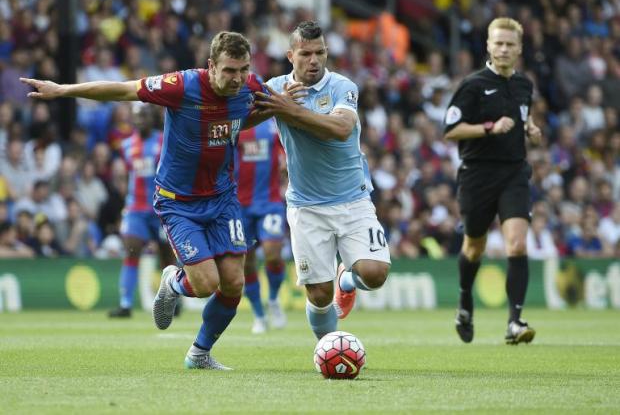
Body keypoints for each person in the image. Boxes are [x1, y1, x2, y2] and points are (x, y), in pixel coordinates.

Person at [21, 31, 279, 370]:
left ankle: (199, 353)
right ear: (211, 65)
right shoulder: (181, 85)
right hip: (179, 201)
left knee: (233, 282)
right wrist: (65, 90)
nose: (237, 78)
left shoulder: (251, 86)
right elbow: (124, 89)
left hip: (223, 198)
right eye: (229, 70)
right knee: (205, 285)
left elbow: (259, 111)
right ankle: (172, 282)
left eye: (243, 69)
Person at [254, 21, 391, 340]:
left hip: (353, 200)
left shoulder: (343, 87)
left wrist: (289, 110)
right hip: (307, 206)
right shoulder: (275, 87)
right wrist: (272, 104)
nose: (314, 60)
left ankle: (347, 279)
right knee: (317, 295)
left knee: (374, 274)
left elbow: (340, 129)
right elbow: (242, 120)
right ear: (291, 55)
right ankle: (328, 349)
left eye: (320, 52)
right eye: (305, 53)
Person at [442, 17, 542, 345]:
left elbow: (522, 118)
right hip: (477, 174)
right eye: (498, 43)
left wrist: (531, 130)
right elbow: (451, 129)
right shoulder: (473, 85)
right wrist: (488, 127)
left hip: (514, 173)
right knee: (474, 246)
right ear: (488, 45)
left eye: (510, 44)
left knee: (517, 242)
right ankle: (465, 301)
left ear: (519, 49)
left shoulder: (525, 85)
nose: (503, 49)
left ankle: (515, 322)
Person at [108, 104, 177, 318]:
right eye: (137, 117)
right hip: (136, 209)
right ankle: (125, 304)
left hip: (160, 210)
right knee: (131, 251)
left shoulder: (162, 141)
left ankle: (173, 299)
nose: (140, 121)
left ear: (151, 118)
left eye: (144, 116)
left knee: (167, 257)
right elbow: (128, 177)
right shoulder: (126, 145)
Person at [235, 116, 288, 334]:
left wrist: (285, 162)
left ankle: (273, 299)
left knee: (272, 255)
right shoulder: (233, 124)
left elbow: (286, 150)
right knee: (246, 262)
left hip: (270, 202)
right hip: (239, 206)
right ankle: (258, 314)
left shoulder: (272, 124)